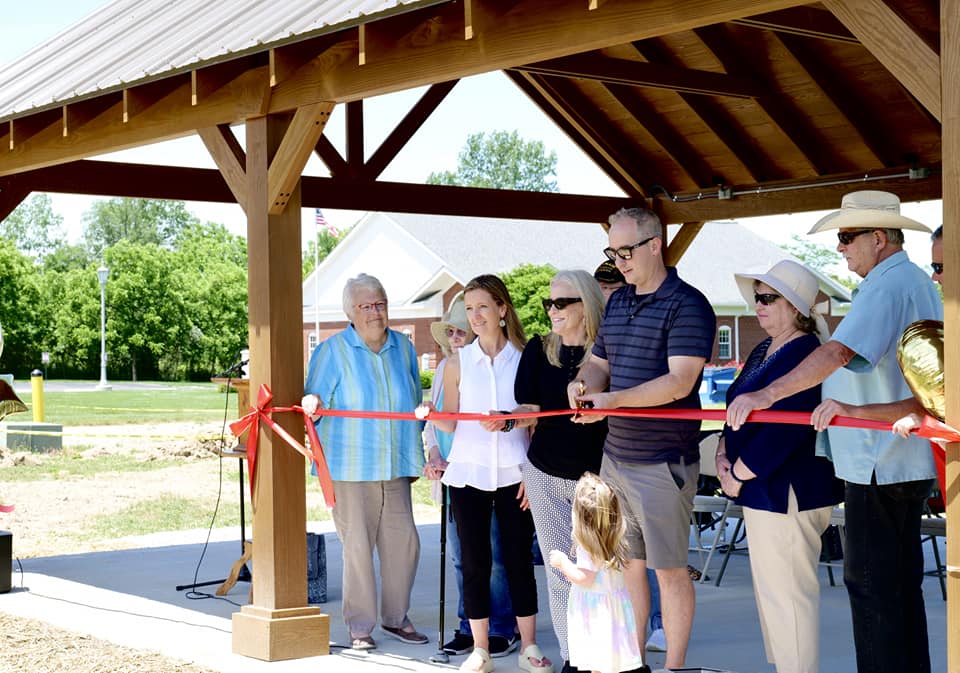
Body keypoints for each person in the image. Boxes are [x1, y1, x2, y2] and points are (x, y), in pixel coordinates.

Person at [725, 191, 942, 673]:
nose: (841, 249)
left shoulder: (889, 284)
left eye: (847, 237)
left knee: (873, 589)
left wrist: (767, 395)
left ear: (879, 239)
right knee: (898, 589)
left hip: (878, 462)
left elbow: (838, 353)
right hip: (889, 458)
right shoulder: (907, 282)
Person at [569, 207, 716, 669]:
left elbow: (680, 382)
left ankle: (673, 665)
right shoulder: (618, 302)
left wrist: (611, 401)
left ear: (656, 244)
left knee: (668, 570)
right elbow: (599, 363)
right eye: (612, 251)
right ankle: (636, 663)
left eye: (626, 250)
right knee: (628, 567)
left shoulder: (688, 303)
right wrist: (585, 385)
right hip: (617, 457)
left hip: (662, 460)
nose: (620, 261)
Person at [716, 260, 844, 673]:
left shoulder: (806, 351)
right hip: (759, 489)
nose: (758, 305)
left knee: (789, 600)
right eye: (757, 297)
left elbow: (789, 430)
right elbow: (732, 410)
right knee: (773, 596)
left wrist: (737, 474)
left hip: (787, 490)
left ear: (795, 307)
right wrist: (722, 456)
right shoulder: (760, 349)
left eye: (768, 298)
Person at [420, 274, 551, 673]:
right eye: (470, 309)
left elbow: (537, 420)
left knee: (517, 562)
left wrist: (533, 473)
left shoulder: (528, 356)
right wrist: (429, 414)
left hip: (516, 473)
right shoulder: (457, 362)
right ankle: (481, 651)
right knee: (475, 563)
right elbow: (450, 424)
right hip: (467, 474)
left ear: (502, 309)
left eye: (482, 307)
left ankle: (529, 646)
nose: (475, 316)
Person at [301, 273, 427, 651]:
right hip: (350, 467)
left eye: (380, 303)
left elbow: (412, 396)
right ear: (350, 312)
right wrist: (313, 404)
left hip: (395, 463)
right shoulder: (331, 351)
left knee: (404, 544)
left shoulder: (403, 348)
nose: (375, 312)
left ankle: (395, 618)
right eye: (366, 306)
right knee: (357, 547)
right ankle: (360, 627)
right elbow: (313, 402)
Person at [510, 269, 606, 673]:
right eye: (549, 303)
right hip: (545, 474)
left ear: (586, 305)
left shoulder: (606, 352)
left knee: (599, 573)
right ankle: (572, 657)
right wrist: (507, 419)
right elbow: (529, 410)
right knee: (558, 570)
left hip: (597, 480)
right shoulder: (538, 349)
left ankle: (604, 652)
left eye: (562, 303)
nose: (552, 310)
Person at [423, 294, 519, 658]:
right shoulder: (446, 368)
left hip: (487, 470)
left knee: (494, 554)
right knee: (463, 556)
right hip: (452, 474)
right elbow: (435, 424)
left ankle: (500, 626)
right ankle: (469, 623)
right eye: (450, 331)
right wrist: (433, 454)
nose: (455, 337)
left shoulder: (488, 364)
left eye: (461, 331)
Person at [593, 260, 666, 654]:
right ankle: (634, 630)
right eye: (602, 292)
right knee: (627, 554)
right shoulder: (604, 330)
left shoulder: (653, 313)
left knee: (660, 555)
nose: (609, 299)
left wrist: (614, 400)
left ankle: (661, 624)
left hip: (654, 451)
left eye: (613, 290)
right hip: (614, 450)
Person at [548, 473, 646, 673]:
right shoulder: (615, 540)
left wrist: (562, 563)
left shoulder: (589, 547)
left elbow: (585, 578)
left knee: (598, 662)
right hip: (614, 611)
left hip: (595, 613)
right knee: (611, 661)